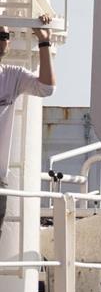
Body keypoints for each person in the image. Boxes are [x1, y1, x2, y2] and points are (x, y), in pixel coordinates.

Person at [0, 14, 54, 225]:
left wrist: (44, 41)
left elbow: (46, 87)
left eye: (4, 35)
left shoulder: (11, 76)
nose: (2, 40)